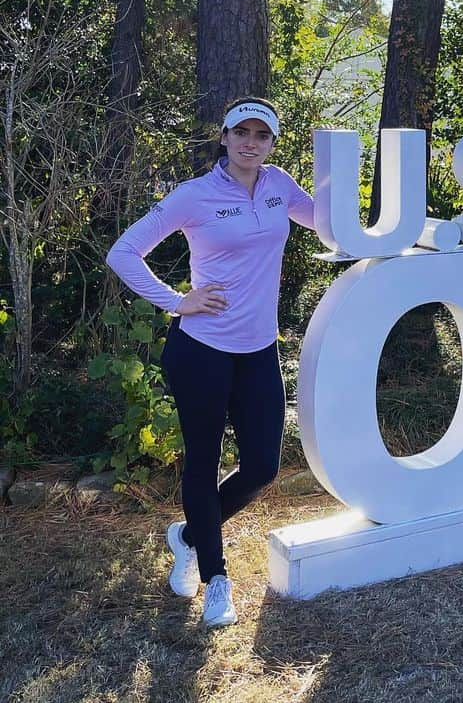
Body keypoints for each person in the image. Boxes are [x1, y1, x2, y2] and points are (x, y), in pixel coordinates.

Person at [106, 97, 316, 628]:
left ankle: (189, 535)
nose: (250, 142)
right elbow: (123, 253)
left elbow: (329, 225)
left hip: (258, 350)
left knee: (263, 466)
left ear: (272, 142)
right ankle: (216, 579)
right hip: (201, 350)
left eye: (261, 135)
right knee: (204, 462)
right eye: (240, 132)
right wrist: (177, 301)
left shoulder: (279, 187)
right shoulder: (193, 195)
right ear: (223, 137)